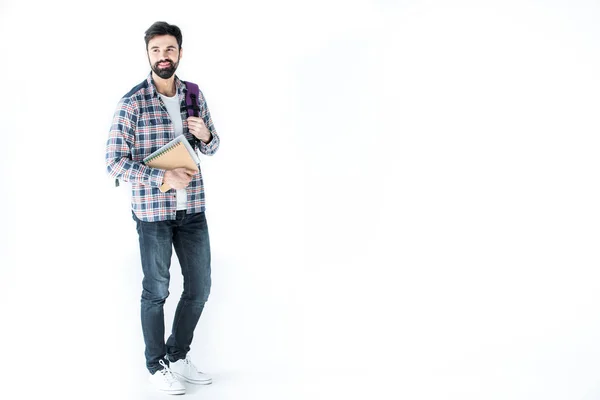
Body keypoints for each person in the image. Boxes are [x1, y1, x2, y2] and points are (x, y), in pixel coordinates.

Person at [105, 21, 220, 395]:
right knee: (156, 290)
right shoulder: (132, 103)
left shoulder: (194, 94)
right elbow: (114, 162)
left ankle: (177, 354)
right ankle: (155, 365)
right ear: (148, 56)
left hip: (193, 210)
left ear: (180, 53)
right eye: (156, 51)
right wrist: (161, 179)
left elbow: (211, 146)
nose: (163, 56)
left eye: (169, 49)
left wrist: (207, 135)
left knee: (200, 287)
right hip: (153, 214)